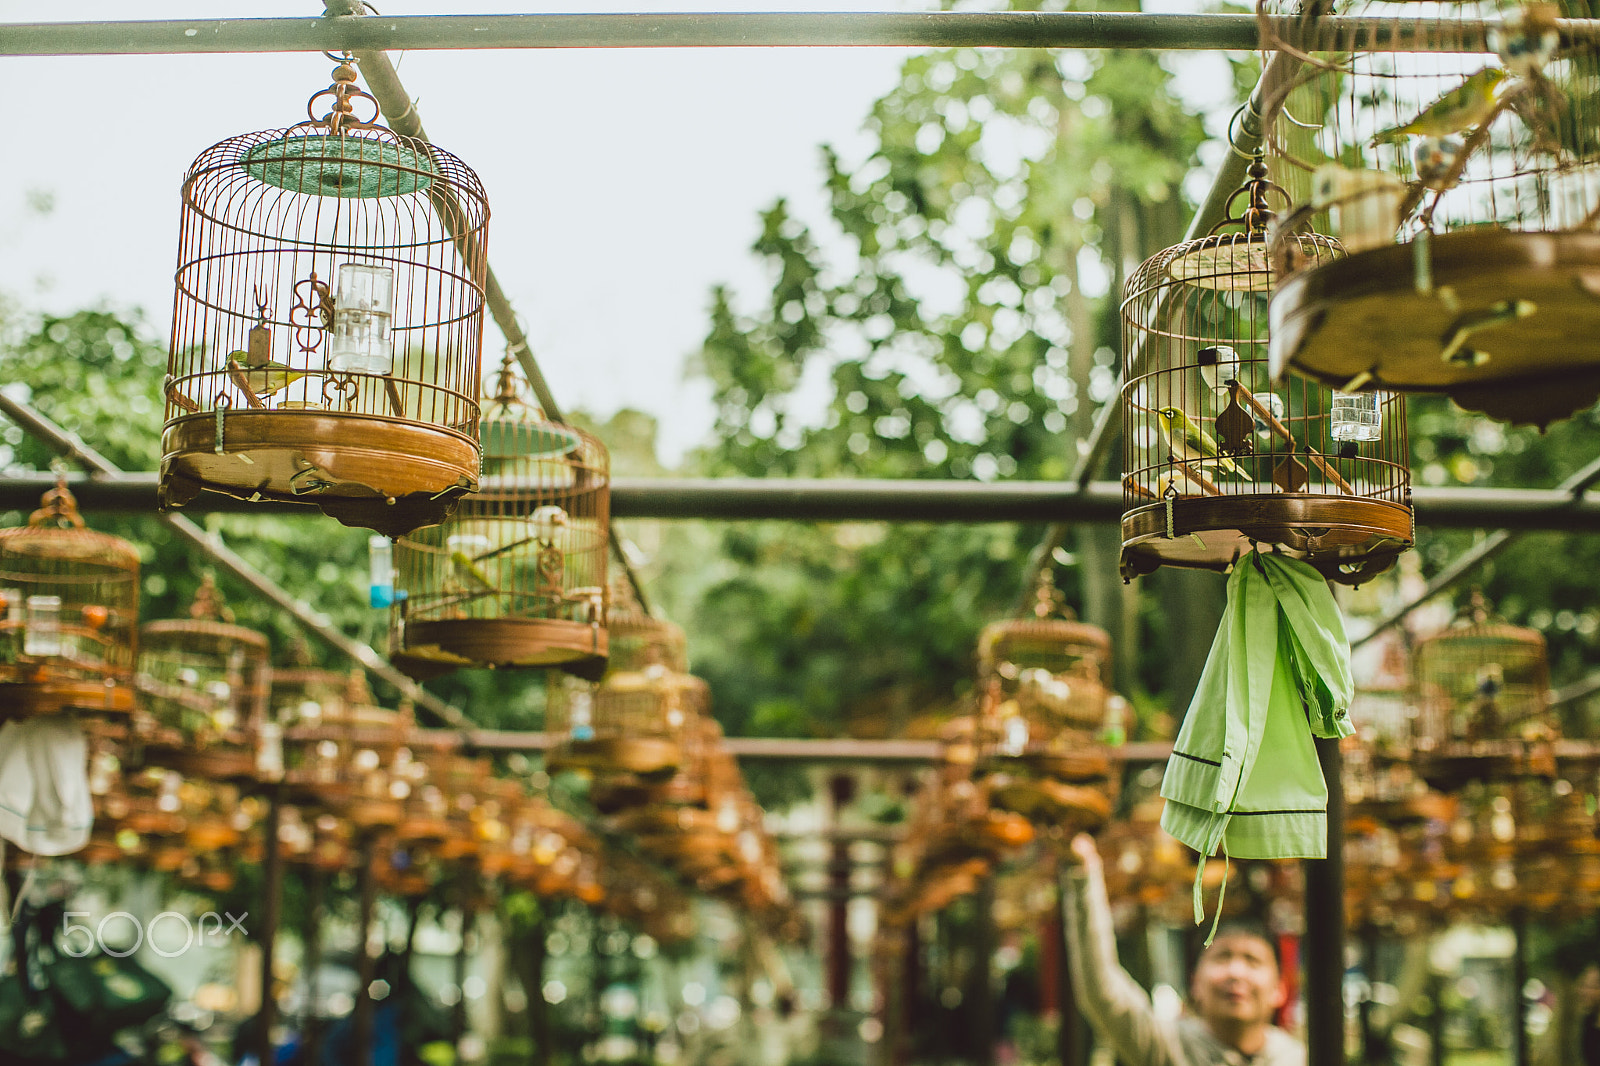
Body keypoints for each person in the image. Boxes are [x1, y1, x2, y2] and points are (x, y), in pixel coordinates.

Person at [1062, 833, 1304, 1066]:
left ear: (1280, 988)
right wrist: (1084, 873)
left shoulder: (1298, 1059)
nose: (1236, 972)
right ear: (1195, 982)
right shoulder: (1167, 1046)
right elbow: (1102, 991)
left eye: (1252, 960)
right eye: (1222, 957)